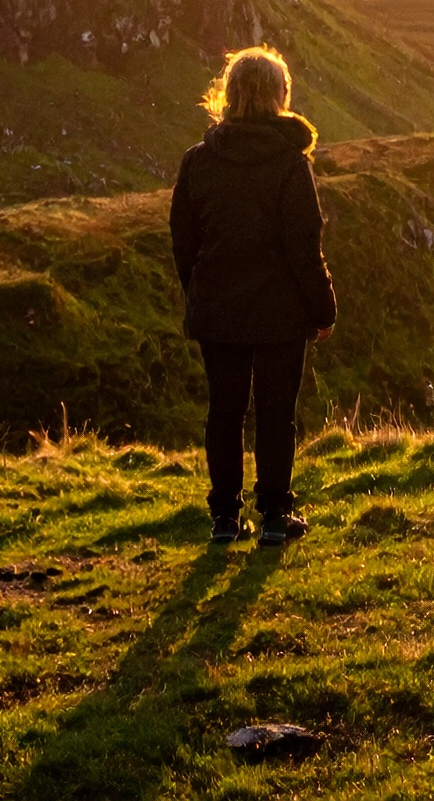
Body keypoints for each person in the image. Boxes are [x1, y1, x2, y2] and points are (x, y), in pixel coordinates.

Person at [169, 45, 335, 547]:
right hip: (280, 314)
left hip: (218, 309)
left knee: (224, 410)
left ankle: (223, 519)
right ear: (278, 96)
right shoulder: (289, 164)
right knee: (275, 414)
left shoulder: (198, 161)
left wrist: (199, 290)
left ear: (230, 95)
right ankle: (275, 518)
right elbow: (304, 247)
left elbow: (183, 242)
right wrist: (322, 308)